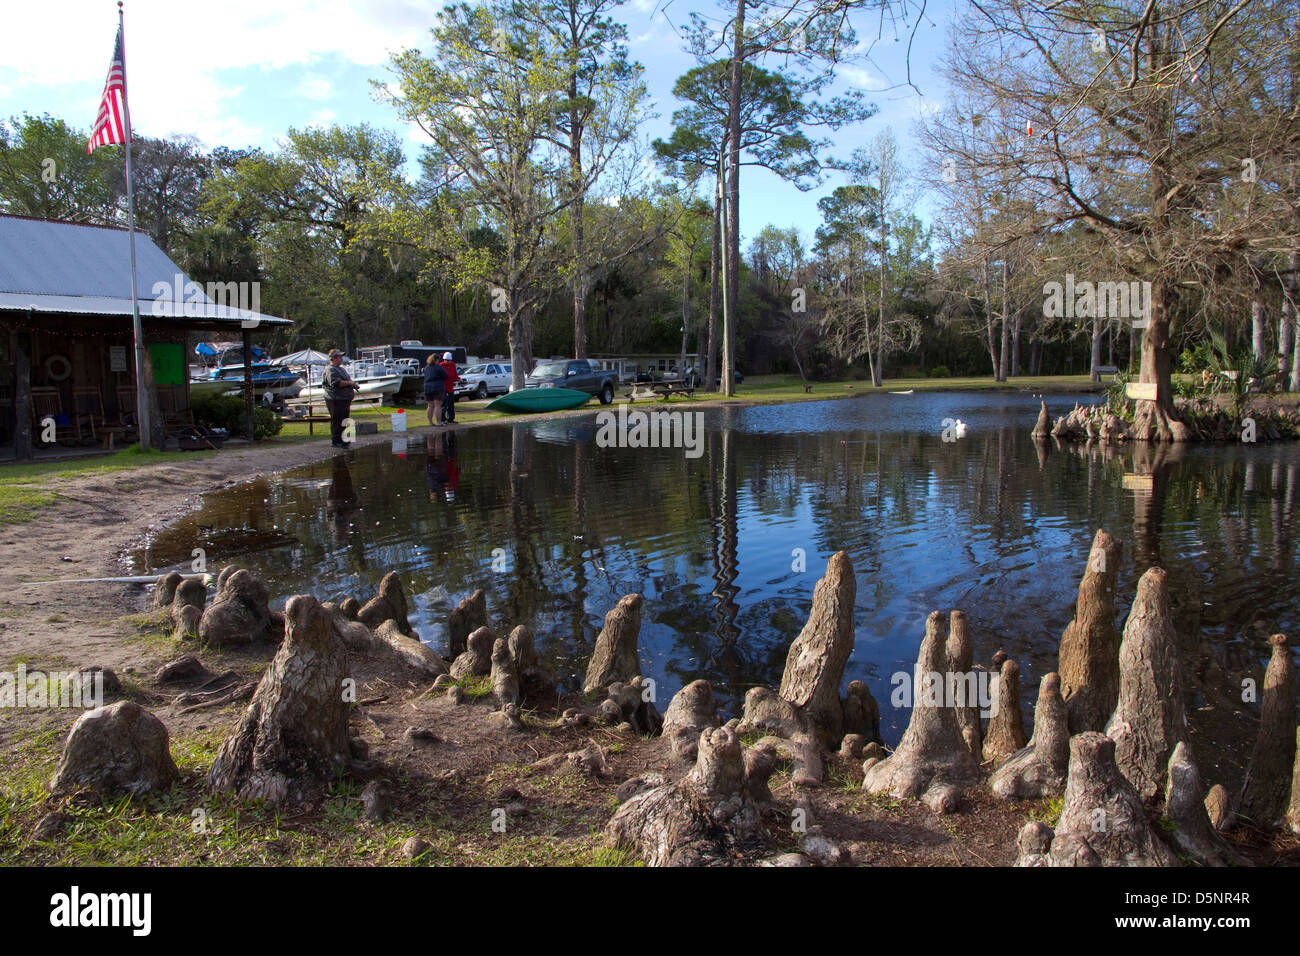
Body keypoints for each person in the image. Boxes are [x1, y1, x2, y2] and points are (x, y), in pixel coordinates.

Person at [323, 349, 358, 448]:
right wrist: (350, 383)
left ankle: (344, 440)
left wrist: (353, 384)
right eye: (339, 357)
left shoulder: (341, 369)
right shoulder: (330, 369)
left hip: (344, 398)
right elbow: (336, 383)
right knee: (337, 420)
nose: (341, 359)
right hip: (335, 399)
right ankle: (336, 441)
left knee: (344, 419)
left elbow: (347, 379)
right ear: (334, 358)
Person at [423, 353, 448, 426]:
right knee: (438, 405)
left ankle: (430, 422)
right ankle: (438, 422)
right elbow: (445, 375)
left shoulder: (426, 367)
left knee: (430, 406)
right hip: (437, 387)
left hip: (427, 387)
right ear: (437, 360)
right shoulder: (438, 367)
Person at [439, 351, 459, 423]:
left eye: (448, 360)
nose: (447, 361)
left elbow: (455, 375)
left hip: (450, 387)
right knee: (444, 405)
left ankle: (451, 418)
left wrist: (459, 379)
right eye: (446, 360)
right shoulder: (441, 365)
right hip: (443, 387)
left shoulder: (453, 365)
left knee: (451, 404)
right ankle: (442, 419)